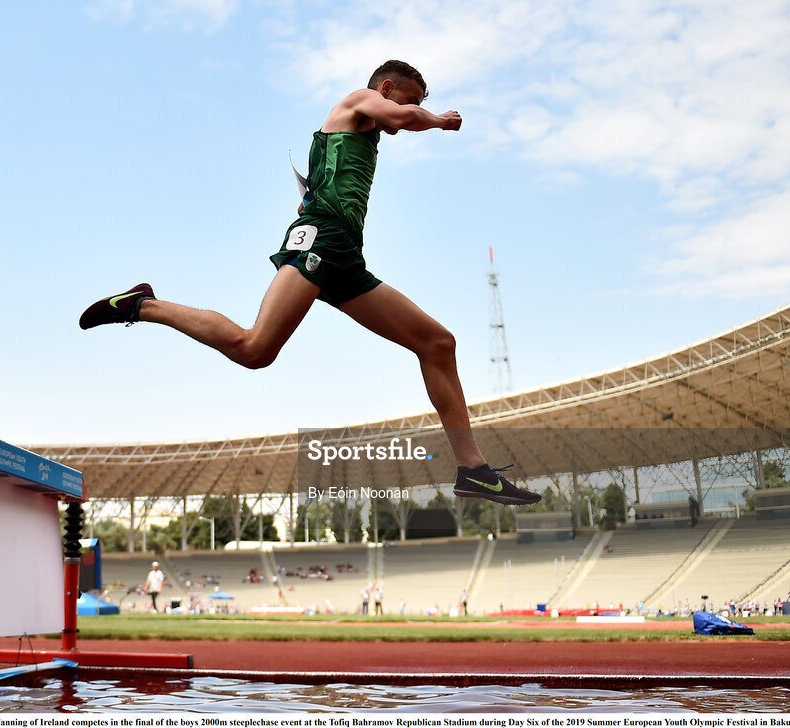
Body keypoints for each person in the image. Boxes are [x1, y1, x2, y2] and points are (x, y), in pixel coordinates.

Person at [79, 60, 541, 507]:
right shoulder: (359, 101)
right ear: (386, 89)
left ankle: (473, 470)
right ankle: (143, 306)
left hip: (345, 256)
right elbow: (402, 117)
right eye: (411, 96)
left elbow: (343, 166)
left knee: (438, 343)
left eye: (421, 103)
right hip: (322, 240)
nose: (410, 110)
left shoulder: (361, 133)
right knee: (254, 349)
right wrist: (439, 119)